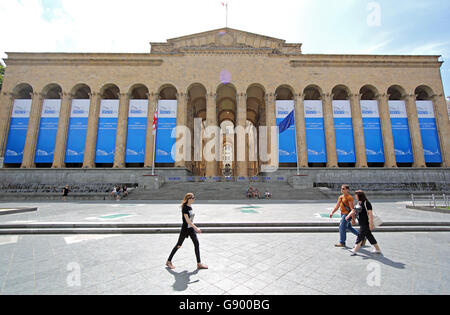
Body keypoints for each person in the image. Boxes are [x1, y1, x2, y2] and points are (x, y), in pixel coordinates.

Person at [166, 193, 208, 270]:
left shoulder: (190, 206)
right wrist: (196, 228)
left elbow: (191, 219)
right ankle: (168, 261)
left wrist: (193, 227)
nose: (194, 199)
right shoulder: (185, 208)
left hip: (190, 229)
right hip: (185, 229)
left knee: (196, 244)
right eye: (192, 198)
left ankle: (199, 263)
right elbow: (188, 221)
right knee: (178, 245)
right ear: (188, 198)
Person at [346, 190, 382, 256]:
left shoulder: (366, 203)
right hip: (361, 222)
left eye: (356, 195)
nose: (355, 196)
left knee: (360, 235)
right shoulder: (359, 203)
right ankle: (377, 249)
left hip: (366, 223)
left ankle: (355, 250)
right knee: (369, 236)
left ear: (359, 196)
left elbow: (370, 214)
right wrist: (348, 215)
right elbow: (354, 210)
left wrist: (370, 224)